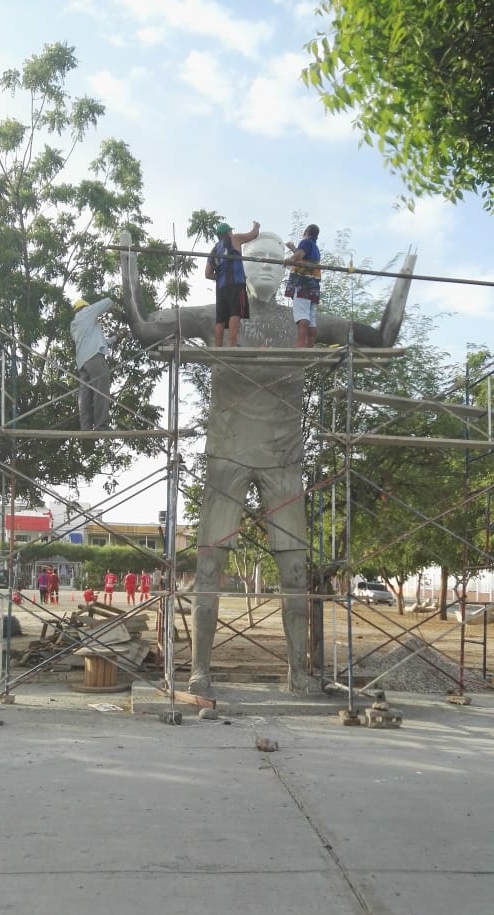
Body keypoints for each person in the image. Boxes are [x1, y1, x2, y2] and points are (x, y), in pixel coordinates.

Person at [120, 229, 416, 694]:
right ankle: (199, 670)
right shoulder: (216, 312)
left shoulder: (304, 321)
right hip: (226, 453)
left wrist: (404, 279)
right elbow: (144, 326)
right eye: (254, 259)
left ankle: (299, 672)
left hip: (283, 460)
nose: (264, 268)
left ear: (288, 271)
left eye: (275, 261)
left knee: (296, 573)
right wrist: (128, 262)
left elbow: (379, 336)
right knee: (209, 567)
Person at [205, 220, 260, 347]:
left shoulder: (213, 251)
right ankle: (232, 342)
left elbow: (207, 274)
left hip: (220, 287)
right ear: (229, 232)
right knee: (235, 312)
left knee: (220, 319)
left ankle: (218, 346)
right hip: (236, 282)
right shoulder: (233, 239)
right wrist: (256, 226)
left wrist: (220, 276)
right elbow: (253, 235)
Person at [70, 298, 114, 431]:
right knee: (101, 388)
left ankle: (86, 427)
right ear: (85, 307)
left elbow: (98, 341)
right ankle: (101, 425)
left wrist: (116, 338)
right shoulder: (86, 313)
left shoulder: (76, 324)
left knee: (86, 395)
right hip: (94, 358)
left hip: (83, 363)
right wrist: (115, 306)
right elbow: (107, 302)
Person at [283, 224, 321, 349]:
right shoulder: (314, 247)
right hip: (313, 285)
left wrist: (289, 259)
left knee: (302, 315)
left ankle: (300, 346)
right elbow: (303, 256)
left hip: (303, 284)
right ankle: (310, 347)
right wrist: (293, 248)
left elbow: (299, 256)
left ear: (305, 232)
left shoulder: (305, 242)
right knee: (311, 317)